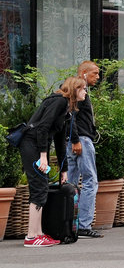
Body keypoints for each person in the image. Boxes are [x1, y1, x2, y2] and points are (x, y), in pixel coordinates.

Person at [17, 76, 86, 247]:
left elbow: (61, 141)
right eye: (83, 88)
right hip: (31, 144)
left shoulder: (67, 110)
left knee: (42, 185)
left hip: (38, 145)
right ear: (75, 89)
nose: (85, 92)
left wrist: (64, 170)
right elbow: (42, 127)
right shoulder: (60, 102)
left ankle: (39, 233)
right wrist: (43, 157)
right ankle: (32, 236)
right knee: (39, 186)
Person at [64, 60, 104, 239]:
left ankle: (68, 223)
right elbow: (70, 115)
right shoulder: (78, 90)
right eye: (94, 73)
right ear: (84, 74)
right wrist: (76, 140)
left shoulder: (76, 89)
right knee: (90, 181)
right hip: (81, 139)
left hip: (74, 139)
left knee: (71, 182)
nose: (98, 76)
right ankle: (84, 225)